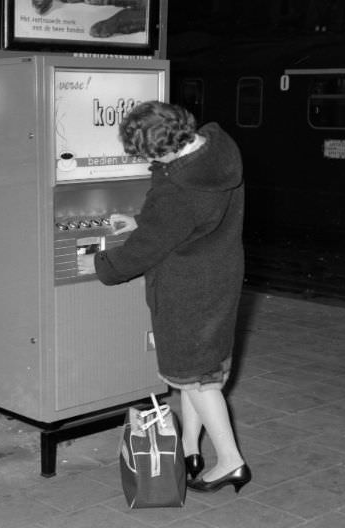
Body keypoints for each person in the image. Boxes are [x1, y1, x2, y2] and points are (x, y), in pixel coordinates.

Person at [77, 100, 251, 493]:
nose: (145, 163)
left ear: (166, 151)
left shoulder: (178, 190)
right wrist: (143, 221)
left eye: (147, 156)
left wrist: (103, 265)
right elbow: (195, 222)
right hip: (218, 274)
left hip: (187, 289)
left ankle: (230, 461)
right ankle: (190, 450)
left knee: (198, 380)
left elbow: (146, 249)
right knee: (196, 373)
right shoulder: (216, 151)